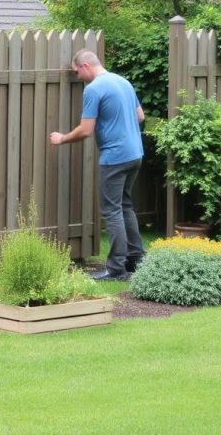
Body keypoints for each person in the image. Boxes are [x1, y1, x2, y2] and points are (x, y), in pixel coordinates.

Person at [50, 49, 145, 281]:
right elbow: (140, 116)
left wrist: (62, 138)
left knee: (111, 211)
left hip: (114, 157)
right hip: (135, 154)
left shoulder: (93, 89)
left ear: (86, 67)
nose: (77, 77)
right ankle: (136, 260)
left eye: (76, 72)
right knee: (125, 206)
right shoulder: (123, 81)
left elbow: (85, 130)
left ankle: (116, 269)